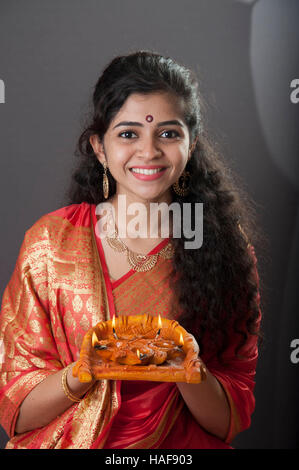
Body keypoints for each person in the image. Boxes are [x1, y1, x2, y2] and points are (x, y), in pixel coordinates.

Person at [0, 51, 262, 449]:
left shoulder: (223, 250)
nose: (149, 151)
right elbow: (16, 408)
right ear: (100, 148)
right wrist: (84, 371)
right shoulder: (50, 245)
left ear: (191, 146)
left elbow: (228, 419)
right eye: (128, 133)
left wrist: (185, 368)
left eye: (168, 133)